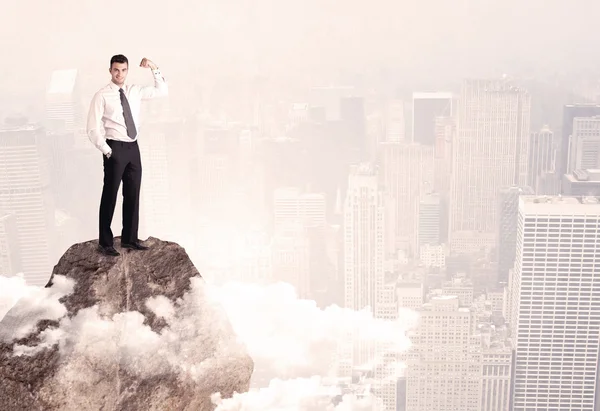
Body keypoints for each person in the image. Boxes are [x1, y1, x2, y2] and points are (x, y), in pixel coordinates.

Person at [87, 54, 168, 256]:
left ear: (127, 70)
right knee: (110, 196)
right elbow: (92, 128)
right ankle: (105, 243)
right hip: (115, 148)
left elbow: (162, 91)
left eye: (123, 70)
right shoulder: (102, 95)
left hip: (133, 148)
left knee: (132, 194)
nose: (119, 74)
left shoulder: (135, 91)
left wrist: (153, 67)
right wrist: (107, 151)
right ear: (110, 71)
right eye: (116, 70)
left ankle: (130, 239)